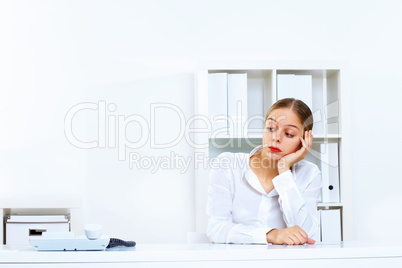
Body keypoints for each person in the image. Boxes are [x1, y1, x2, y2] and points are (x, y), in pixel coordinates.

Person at [206, 98, 322, 245]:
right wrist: (271, 235)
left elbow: (306, 235)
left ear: (304, 139)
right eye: (271, 128)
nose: (276, 138)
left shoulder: (310, 174)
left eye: (289, 134)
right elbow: (216, 229)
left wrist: (284, 171)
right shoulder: (227, 165)